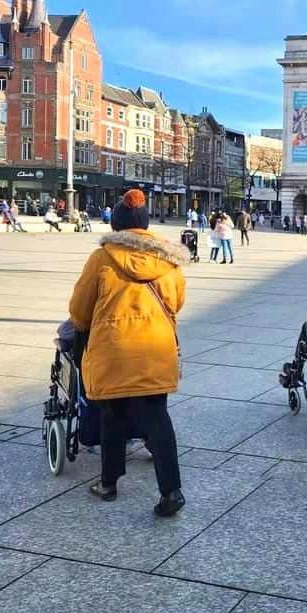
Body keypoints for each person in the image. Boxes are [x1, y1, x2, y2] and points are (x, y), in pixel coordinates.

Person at [68, 189, 188, 516]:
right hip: (156, 348)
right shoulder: (168, 260)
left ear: (116, 225)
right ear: (145, 224)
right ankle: (171, 491)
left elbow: (79, 309)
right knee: (158, 417)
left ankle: (109, 484)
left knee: (112, 414)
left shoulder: (102, 258)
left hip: (113, 349)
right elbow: (177, 302)